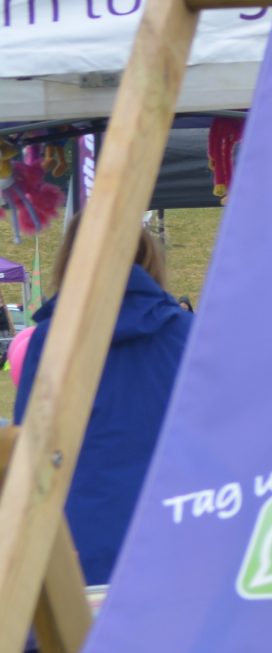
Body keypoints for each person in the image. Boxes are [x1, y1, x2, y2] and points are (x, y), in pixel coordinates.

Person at [14, 224, 193, 583]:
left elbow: (28, 451)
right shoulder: (186, 332)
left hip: (77, 541)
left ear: (68, 259)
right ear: (149, 258)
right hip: (176, 533)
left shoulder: (50, 339)